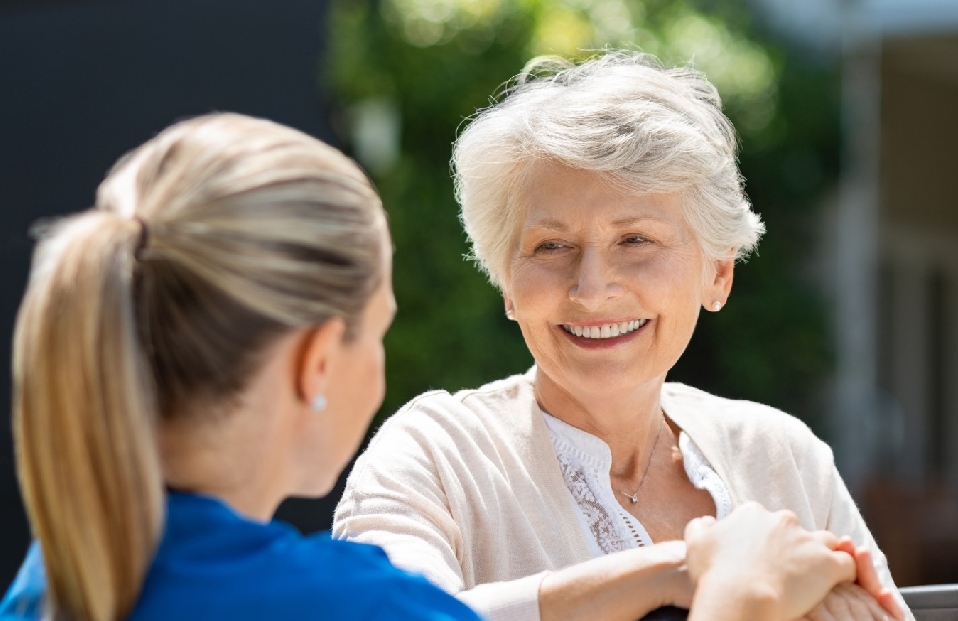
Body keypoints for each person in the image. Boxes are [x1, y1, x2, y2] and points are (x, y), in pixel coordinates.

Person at [0, 113, 871, 621]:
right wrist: (733, 594)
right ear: (315, 361)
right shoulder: (349, 603)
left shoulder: (61, 571)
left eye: (637, 240)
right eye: (377, 331)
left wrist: (682, 569)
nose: (592, 283)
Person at [333, 52, 911, 621]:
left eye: (635, 240)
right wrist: (690, 573)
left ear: (718, 273)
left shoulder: (781, 455)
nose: (590, 289)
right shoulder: (435, 455)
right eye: (551, 246)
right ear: (507, 283)